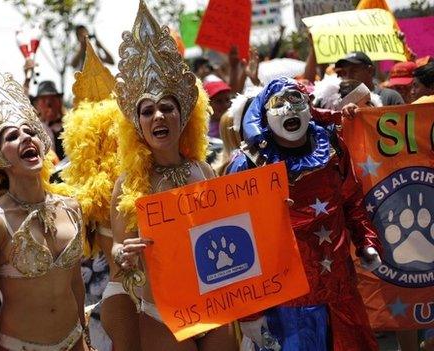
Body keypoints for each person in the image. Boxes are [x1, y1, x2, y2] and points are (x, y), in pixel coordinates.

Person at [111, 2, 238, 350]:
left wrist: (268, 213)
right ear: (137, 124)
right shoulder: (128, 184)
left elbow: (233, 226)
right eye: (147, 111)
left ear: (184, 116)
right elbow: (117, 251)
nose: (158, 116)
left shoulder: (203, 169)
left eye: (167, 107)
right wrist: (123, 254)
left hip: (214, 303)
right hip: (161, 313)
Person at [227, 77, 382, 351]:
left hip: (339, 291)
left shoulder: (332, 147)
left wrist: (366, 241)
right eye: (279, 103)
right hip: (287, 307)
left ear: (309, 107)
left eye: (296, 100)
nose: (289, 109)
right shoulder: (248, 166)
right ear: (264, 113)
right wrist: (249, 312)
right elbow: (236, 241)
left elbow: (351, 198)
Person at [0, 58, 89, 351]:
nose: (24, 138)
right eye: (11, 136)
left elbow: (75, 283)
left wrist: (83, 334)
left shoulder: (71, 207)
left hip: (74, 342)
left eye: (29, 131)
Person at [61, 38, 137, 351]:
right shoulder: (80, 198)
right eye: (101, 138)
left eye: (116, 134)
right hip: (120, 300)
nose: (111, 144)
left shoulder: (148, 173)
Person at [334, 51, 404, 106]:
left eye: (354, 71)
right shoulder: (337, 100)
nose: (348, 76)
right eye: (344, 72)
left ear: (370, 71)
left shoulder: (390, 97)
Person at [32, 80, 66, 160]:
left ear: (59, 103)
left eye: (52, 99)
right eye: (43, 100)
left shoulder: (70, 127)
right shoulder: (32, 130)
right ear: (37, 106)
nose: (49, 104)